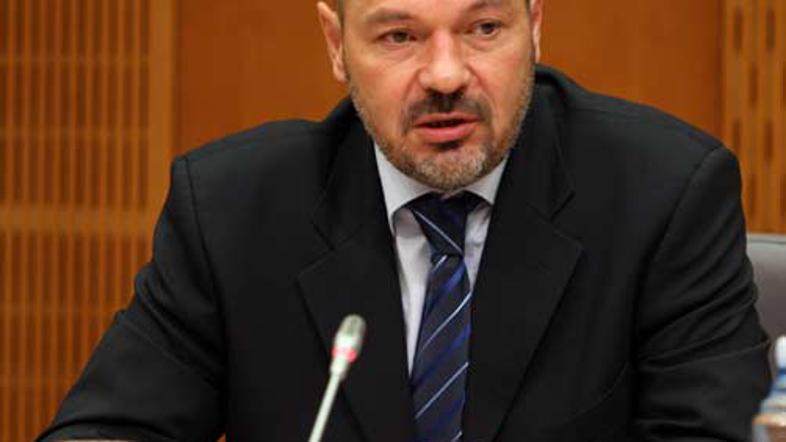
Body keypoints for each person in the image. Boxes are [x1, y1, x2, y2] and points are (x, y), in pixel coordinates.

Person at [39, 0, 771, 441]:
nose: (446, 74)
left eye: (484, 28)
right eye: (399, 36)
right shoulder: (233, 211)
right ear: (337, 44)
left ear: (535, 26)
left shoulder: (664, 195)